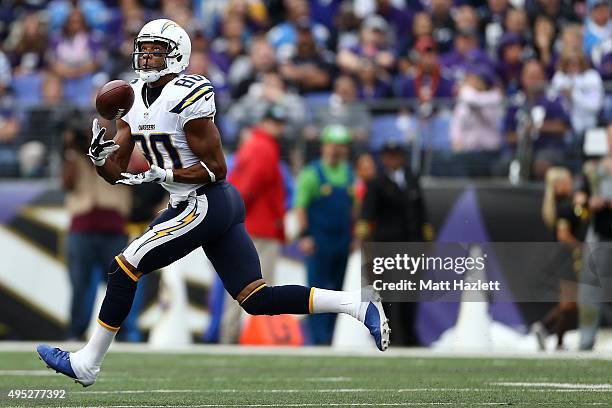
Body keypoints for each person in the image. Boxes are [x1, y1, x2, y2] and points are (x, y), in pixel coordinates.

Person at [37, 19, 389, 387]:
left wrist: (164, 173)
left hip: (203, 200)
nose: (147, 57)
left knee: (125, 266)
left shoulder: (188, 92)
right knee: (255, 297)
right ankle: (358, 305)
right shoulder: (132, 95)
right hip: (203, 205)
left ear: (177, 55)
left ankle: (88, 363)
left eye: (157, 51)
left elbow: (216, 168)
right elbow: (119, 172)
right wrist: (97, 158)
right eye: (144, 49)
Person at [220, 105, 288, 343]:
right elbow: (246, 189)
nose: (278, 127)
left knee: (241, 287)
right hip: (258, 227)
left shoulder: (256, 145)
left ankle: (231, 336)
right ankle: (253, 338)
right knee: (259, 290)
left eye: (281, 123)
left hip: (249, 225)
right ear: (265, 122)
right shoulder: (263, 147)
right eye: (275, 122)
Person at [358, 141, 432, 346]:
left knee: (410, 292)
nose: (393, 160)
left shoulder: (411, 179)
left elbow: (421, 211)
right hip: (387, 246)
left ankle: (409, 335)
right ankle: (388, 334)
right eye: (389, 155)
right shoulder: (377, 183)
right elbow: (367, 215)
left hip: (411, 245)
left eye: (396, 155)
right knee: (388, 293)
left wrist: (426, 238)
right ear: (383, 159)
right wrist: (364, 241)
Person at [294, 125, 355, 345]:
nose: (338, 150)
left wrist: (354, 235)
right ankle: (319, 339)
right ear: (325, 146)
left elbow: (353, 207)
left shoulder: (348, 172)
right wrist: (305, 235)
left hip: (341, 240)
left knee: (338, 291)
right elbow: (300, 207)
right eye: (334, 145)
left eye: (342, 146)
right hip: (319, 240)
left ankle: (331, 337)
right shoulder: (312, 173)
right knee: (317, 291)